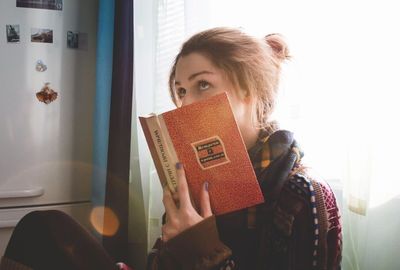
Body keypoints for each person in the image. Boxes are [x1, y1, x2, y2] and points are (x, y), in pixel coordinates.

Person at [0, 27, 342, 270]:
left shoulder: (303, 193)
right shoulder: (192, 172)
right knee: (42, 226)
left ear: (249, 90)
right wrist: (169, 247)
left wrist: (204, 249)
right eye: (180, 91)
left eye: (202, 85)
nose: (185, 103)